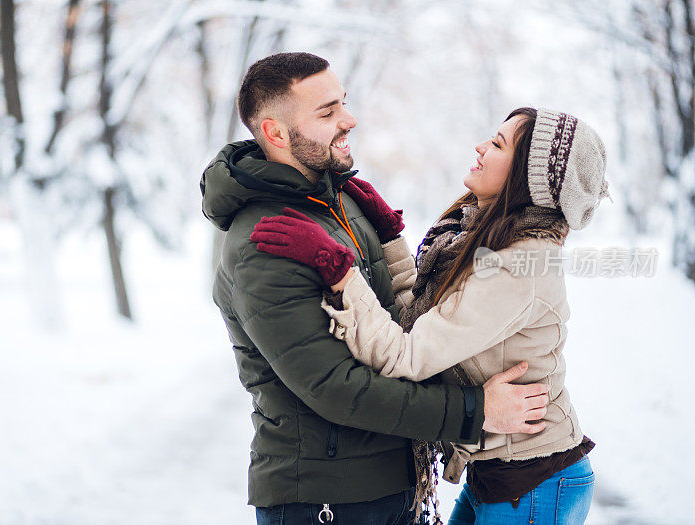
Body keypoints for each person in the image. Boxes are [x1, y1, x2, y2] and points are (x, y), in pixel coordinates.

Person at [201, 52, 550, 525]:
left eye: (342, 103)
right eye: (327, 113)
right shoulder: (267, 240)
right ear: (275, 133)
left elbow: (400, 323)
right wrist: (475, 411)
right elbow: (335, 388)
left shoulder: (338, 201)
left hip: (390, 485)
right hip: (326, 500)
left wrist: (389, 238)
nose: (349, 120)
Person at [251, 106, 609, 524]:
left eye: (497, 144)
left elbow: (406, 355)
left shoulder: (517, 264)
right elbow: (417, 323)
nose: (480, 147)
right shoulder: (479, 238)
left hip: (534, 483)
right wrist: (390, 240)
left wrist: (341, 273)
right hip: (500, 476)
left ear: (526, 178)